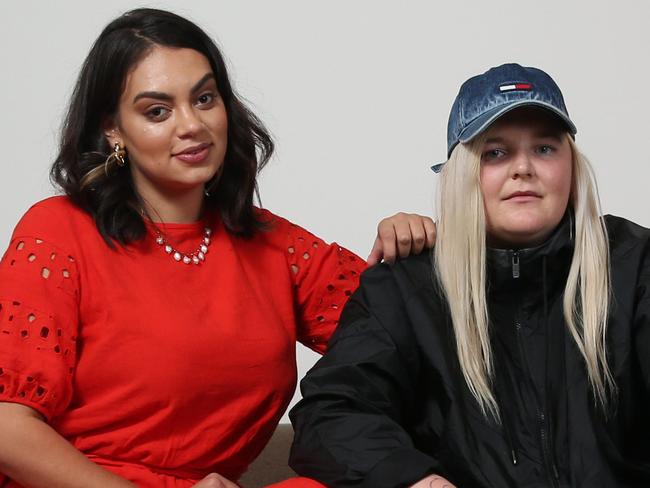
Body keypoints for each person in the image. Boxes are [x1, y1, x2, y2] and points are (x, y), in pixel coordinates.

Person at [0, 8, 436, 488]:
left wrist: (416, 248)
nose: (193, 125)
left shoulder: (274, 246)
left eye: (204, 98)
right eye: (157, 111)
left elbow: (415, 341)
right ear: (113, 129)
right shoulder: (58, 232)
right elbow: (8, 429)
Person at [289, 63, 650, 488]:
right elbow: (331, 411)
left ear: (571, 166)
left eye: (545, 149)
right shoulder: (405, 289)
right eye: (496, 152)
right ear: (461, 172)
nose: (523, 168)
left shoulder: (633, 264)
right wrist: (418, 481)